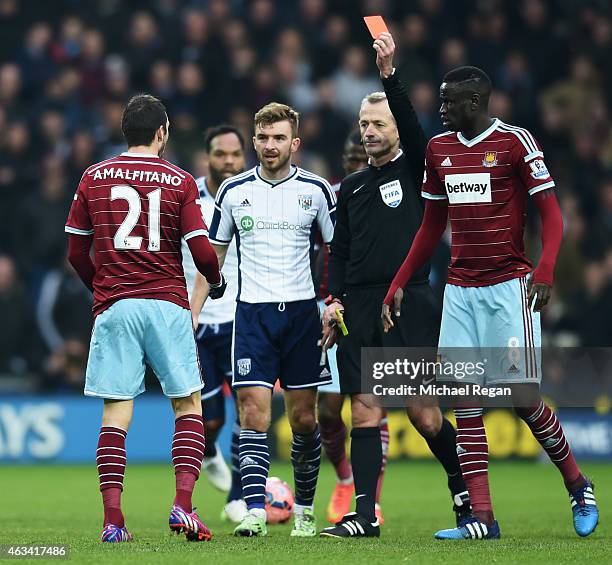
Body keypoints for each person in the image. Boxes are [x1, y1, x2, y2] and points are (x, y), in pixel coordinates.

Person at [382, 66, 600, 540]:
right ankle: (482, 517)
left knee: (522, 398)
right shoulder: (439, 151)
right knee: (466, 400)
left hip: (508, 289)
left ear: (475, 102)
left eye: (449, 102)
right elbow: (430, 226)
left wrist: (544, 271)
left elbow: (553, 216)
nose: (441, 110)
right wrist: (398, 281)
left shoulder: (516, 143)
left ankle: (579, 485)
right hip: (460, 291)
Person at [320, 33, 470, 539]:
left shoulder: (415, 169)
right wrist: (333, 299)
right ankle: (364, 515)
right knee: (364, 408)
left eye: (377, 123)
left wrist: (389, 76)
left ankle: (462, 489)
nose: (368, 132)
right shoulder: (352, 186)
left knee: (425, 415)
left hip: (408, 300)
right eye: (363, 124)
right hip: (359, 307)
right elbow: (338, 252)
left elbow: (415, 127)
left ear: (396, 131)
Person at [65, 94, 226, 543]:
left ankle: (113, 522)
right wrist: (215, 281)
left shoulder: (93, 177)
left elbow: (76, 251)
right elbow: (201, 251)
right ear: (163, 132)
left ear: (124, 132)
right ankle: (182, 506)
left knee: (116, 412)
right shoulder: (178, 180)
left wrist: (102, 287)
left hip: (115, 304)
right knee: (187, 405)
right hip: (166, 304)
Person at [199, 102, 336, 537]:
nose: (271, 145)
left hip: (301, 316)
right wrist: (191, 313)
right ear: (254, 142)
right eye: (264, 138)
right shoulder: (234, 192)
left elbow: (338, 253)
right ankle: (254, 509)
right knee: (252, 413)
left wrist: (335, 302)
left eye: (280, 138)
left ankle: (306, 510)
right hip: (252, 316)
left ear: (294, 143)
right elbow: (214, 260)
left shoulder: (315, 191)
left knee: (303, 420)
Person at [316, 130, 390, 525]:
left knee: (372, 407)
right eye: (351, 155)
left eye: (361, 155)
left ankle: (370, 499)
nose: (356, 160)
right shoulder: (329, 195)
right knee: (328, 411)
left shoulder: (391, 195)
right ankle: (345, 478)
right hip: (332, 305)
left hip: (373, 308)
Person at [183, 125, 248, 523]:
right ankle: (208, 451)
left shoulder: (251, 195)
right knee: (211, 420)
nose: (228, 161)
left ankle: (239, 496)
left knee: (249, 409)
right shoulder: (186, 195)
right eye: (220, 154)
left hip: (241, 319)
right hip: (197, 321)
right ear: (207, 156)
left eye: (235, 154)